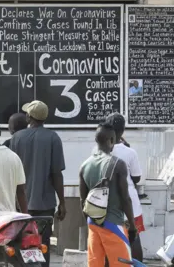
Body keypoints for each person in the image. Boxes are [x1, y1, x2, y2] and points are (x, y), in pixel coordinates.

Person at [10, 100, 66, 267]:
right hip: (45, 206)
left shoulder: (16, 138)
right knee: (43, 245)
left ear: (28, 116)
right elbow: (57, 174)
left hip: (20, 204)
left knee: (20, 244)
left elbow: (12, 173)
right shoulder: (53, 138)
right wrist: (62, 202)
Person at [79, 123, 137, 267]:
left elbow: (83, 200)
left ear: (96, 140)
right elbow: (125, 199)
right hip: (113, 223)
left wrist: (91, 222)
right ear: (112, 140)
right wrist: (132, 226)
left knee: (95, 264)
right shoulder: (118, 164)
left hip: (93, 223)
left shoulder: (85, 165)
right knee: (122, 264)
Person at [106, 113, 145, 262]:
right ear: (122, 131)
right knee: (134, 238)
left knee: (110, 240)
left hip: (109, 204)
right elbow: (136, 177)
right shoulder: (130, 152)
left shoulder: (99, 150)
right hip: (131, 203)